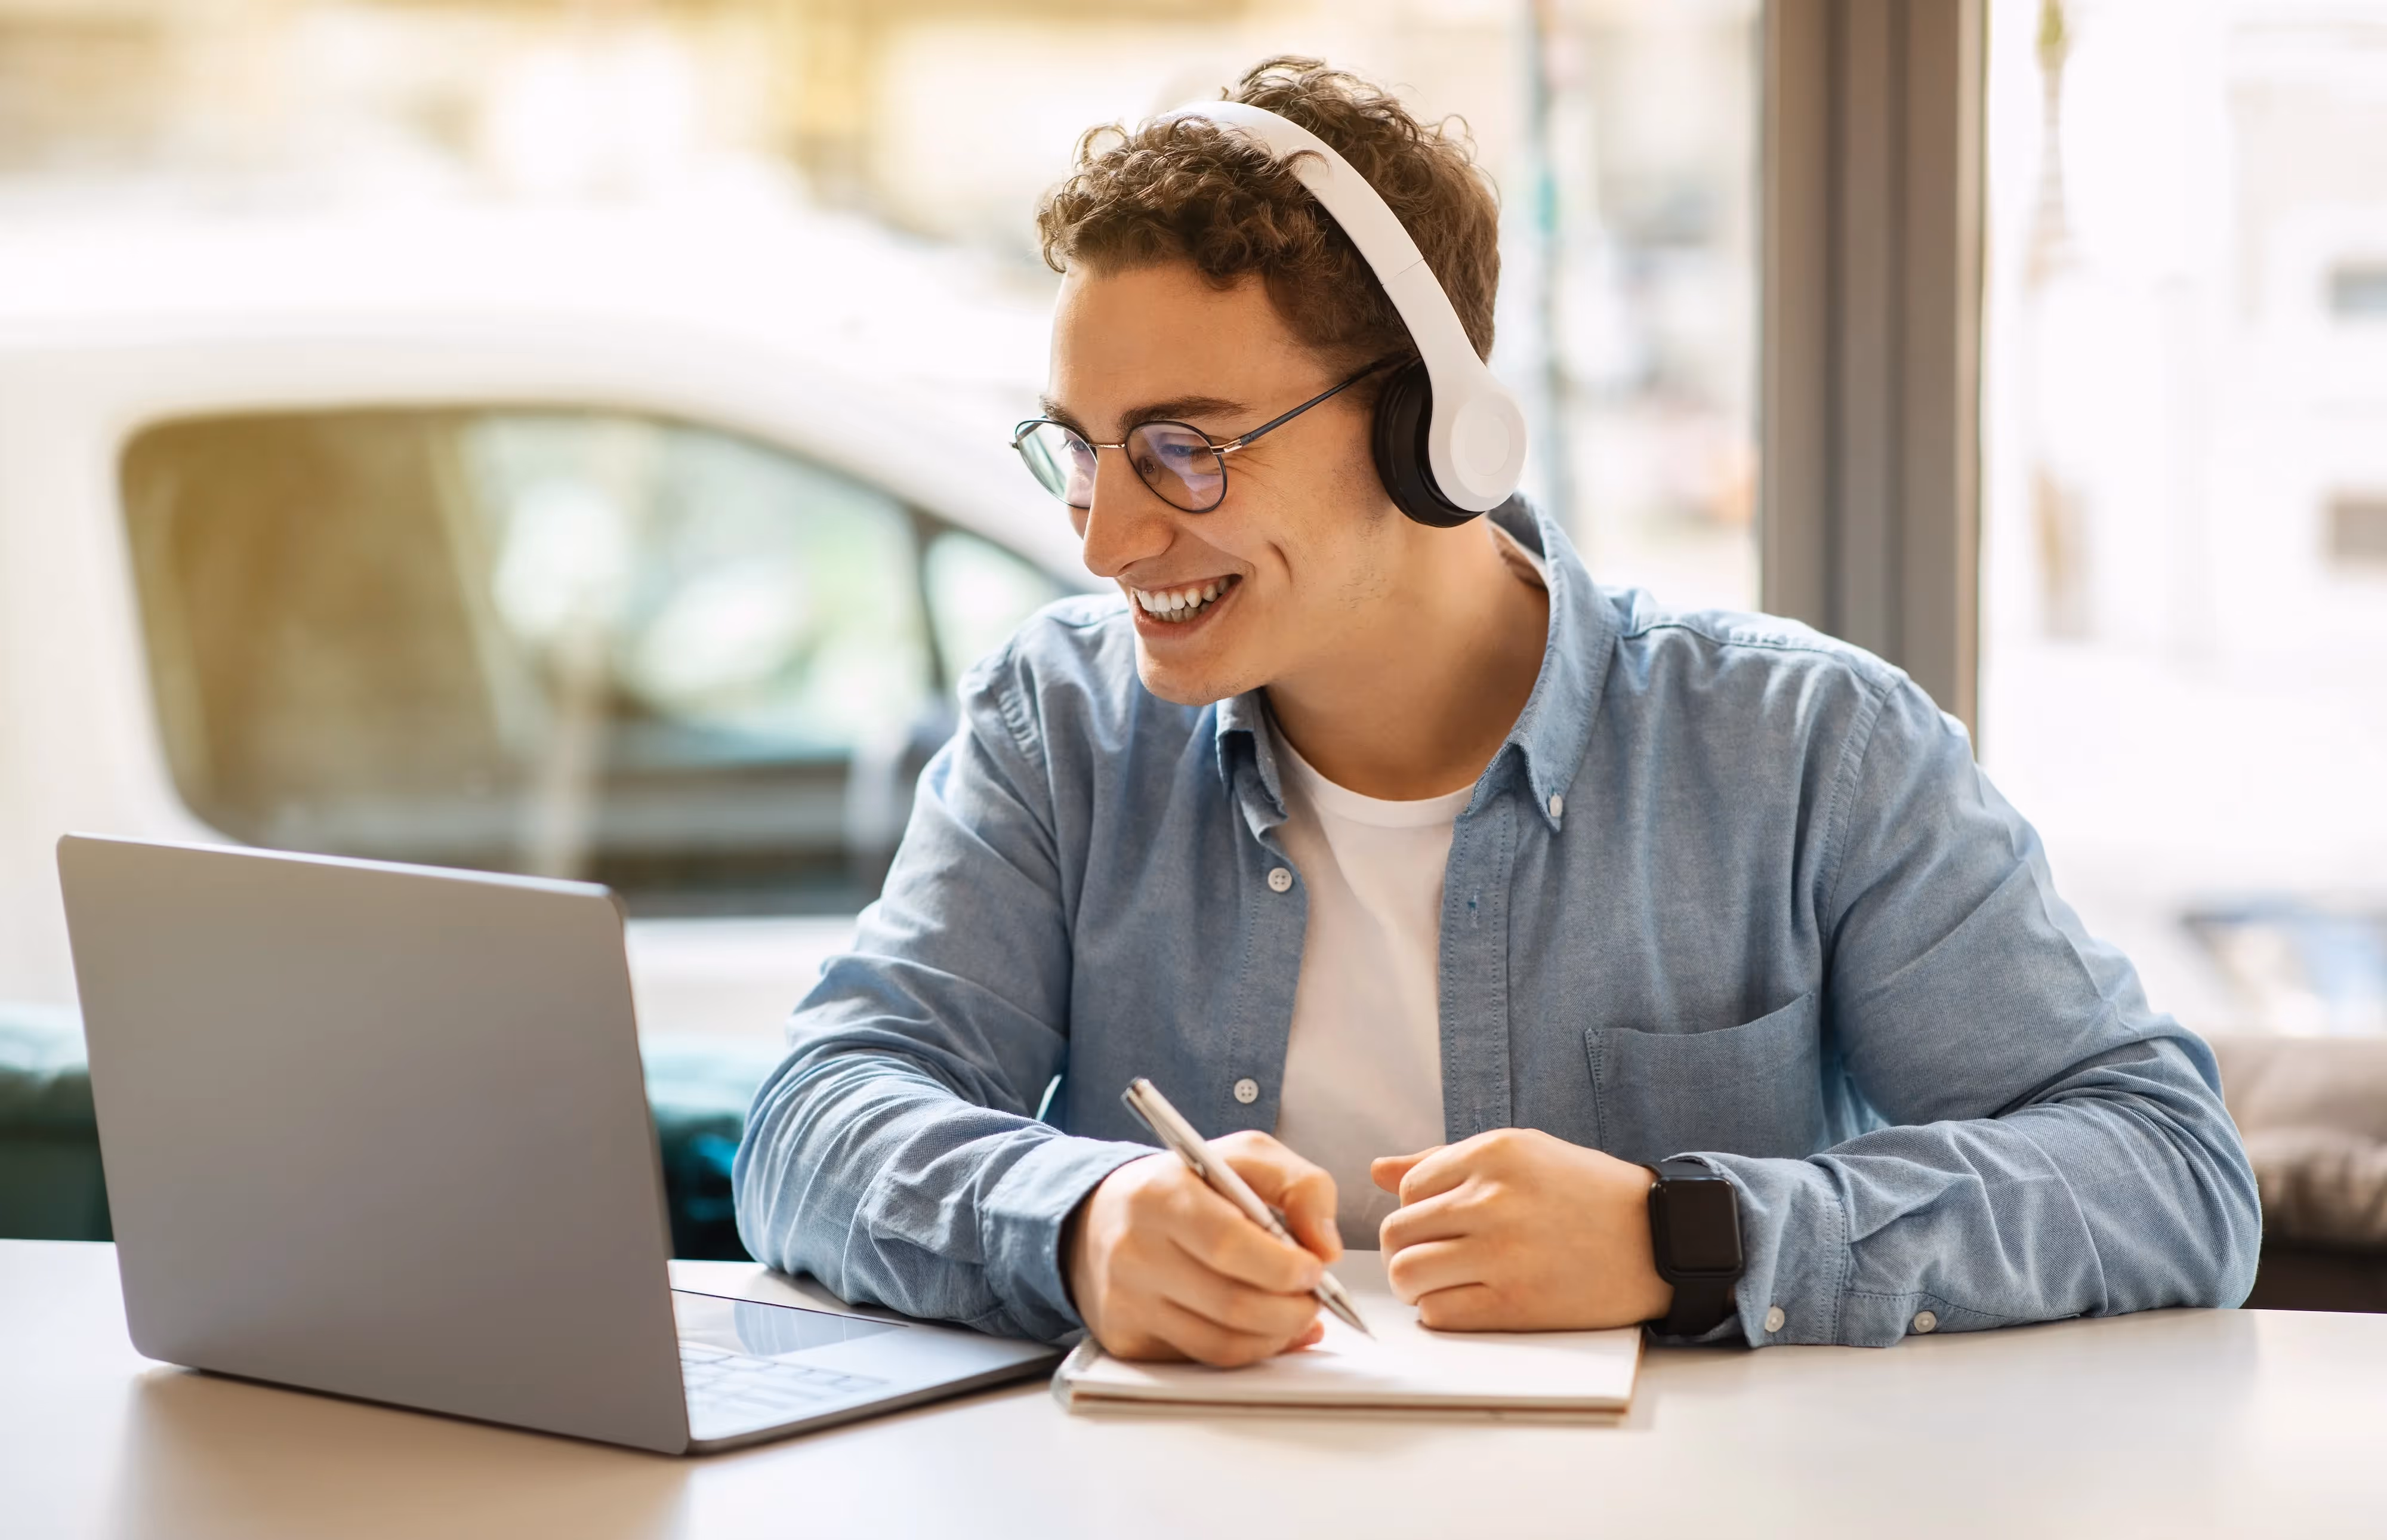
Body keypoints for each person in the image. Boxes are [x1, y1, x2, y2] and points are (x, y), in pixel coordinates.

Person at [734, 57, 2259, 1364]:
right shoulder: (1054, 730)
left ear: (1428, 431)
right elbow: (815, 1115)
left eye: (1182, 451)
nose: (1103, 538)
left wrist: (1692, 1239)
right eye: (1079, 449)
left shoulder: (1804, 750)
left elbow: (2166, 1170)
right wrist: (1077, 1218)